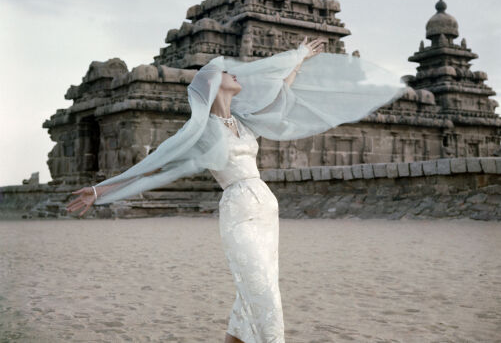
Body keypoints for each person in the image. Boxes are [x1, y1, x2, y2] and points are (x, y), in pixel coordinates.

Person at [66, 36, 408, 342]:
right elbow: (154, 167)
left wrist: (299, 57)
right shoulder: (200, 131)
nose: (236, 75)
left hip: (266, 209)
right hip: (237, 210)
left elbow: (280, 92)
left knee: (252, 294)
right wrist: (100, 191)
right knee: (264, 293)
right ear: (215, 85)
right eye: (228, 74)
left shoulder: (244, 121)